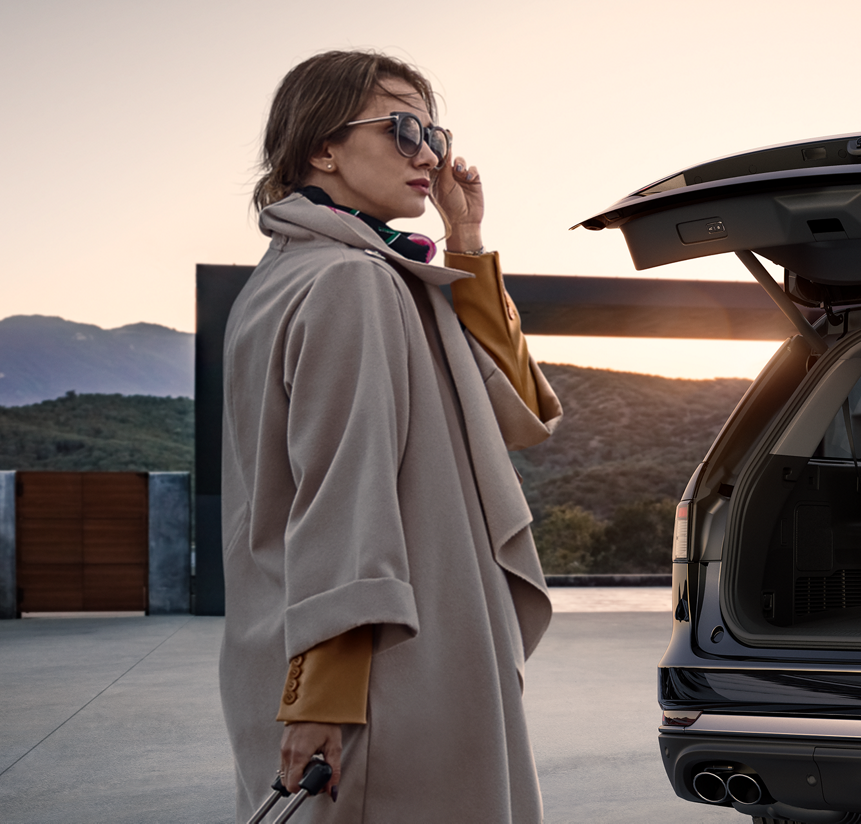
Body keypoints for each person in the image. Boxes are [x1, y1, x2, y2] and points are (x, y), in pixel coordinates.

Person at [221, 50, 561, 823]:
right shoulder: (352, 281)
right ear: (322, 147)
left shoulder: (297, 272)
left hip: (323, 653)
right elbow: (342, 497)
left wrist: (466, 239)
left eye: (435, 133)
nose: (428, 154)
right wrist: (324, 699)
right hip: (387, 672)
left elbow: (512, 411)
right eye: (403, 126)